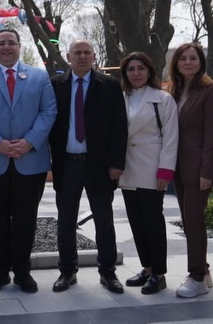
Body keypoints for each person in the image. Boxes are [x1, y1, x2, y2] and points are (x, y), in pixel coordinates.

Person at [0, 29, 56, 294]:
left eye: (11, 43)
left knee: (26, 220)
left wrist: (29, 142)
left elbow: (49, 111)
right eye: (1, 43)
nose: (6, 47)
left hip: (31, 160)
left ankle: (22, 272)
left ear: (19, 46)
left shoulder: (40, 77)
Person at [49, 40, 127, 294]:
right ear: (69, 57)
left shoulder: (109, 86)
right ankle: (67, 271)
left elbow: (119, 127)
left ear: (94, 56)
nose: (82, 56)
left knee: (104, 220)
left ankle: (108, 272)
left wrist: (116, 163)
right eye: (77, 53)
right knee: (66, 219)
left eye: (86, 53)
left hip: (99, 165)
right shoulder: (55, 85)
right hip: (67, 163)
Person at [118, 52, 177, 295]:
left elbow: (171, 137)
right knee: (136, 220)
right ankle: (147, 267)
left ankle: (159, 273)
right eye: (131, 69)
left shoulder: (163, 99)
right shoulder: (120, 97)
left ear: (150, 71)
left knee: (153, 220)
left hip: (152, 168)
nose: (136, 73)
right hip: (128, 168)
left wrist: (166, 169)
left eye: (141, 68)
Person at [166, 43, 213, 298]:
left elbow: (211, 134)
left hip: (198, 167)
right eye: (183, 58)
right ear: (176, 63)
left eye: (193, 58)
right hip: (177, 165)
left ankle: (197, 276)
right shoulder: (175, 90)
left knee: (195, 222)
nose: (188, 62)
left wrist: (206, 171)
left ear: (200, 62)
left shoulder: (210, 90)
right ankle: (205, 270)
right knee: (188, 222)